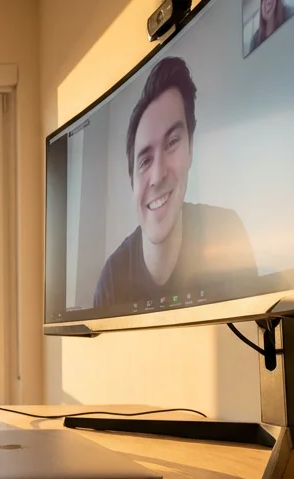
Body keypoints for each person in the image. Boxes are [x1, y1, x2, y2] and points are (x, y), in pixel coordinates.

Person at [93, 57, 259, 310]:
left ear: (191, 148)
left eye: (172, 143)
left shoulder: (228, 234)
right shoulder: (111, 281)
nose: (158, 175)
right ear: (132, 183)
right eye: (145, 160)